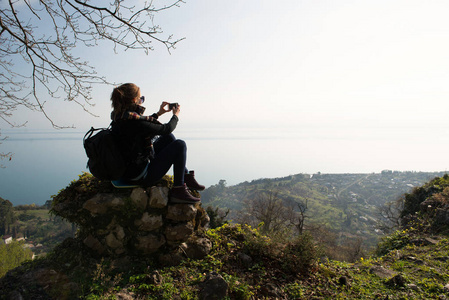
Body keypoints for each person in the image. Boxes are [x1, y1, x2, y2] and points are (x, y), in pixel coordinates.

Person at [110, 83, 204, 204]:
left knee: (168, 138)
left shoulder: (120, 118)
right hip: (141, 177)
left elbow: (144, 126)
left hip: (129, 171)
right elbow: (166, 128)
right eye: (141, 99)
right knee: (180, 144)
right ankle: (179, 190)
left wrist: (159, 113)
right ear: (134, 100)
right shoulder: (136, 123)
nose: (142, 101)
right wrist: (175, 115)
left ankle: (186, 177)